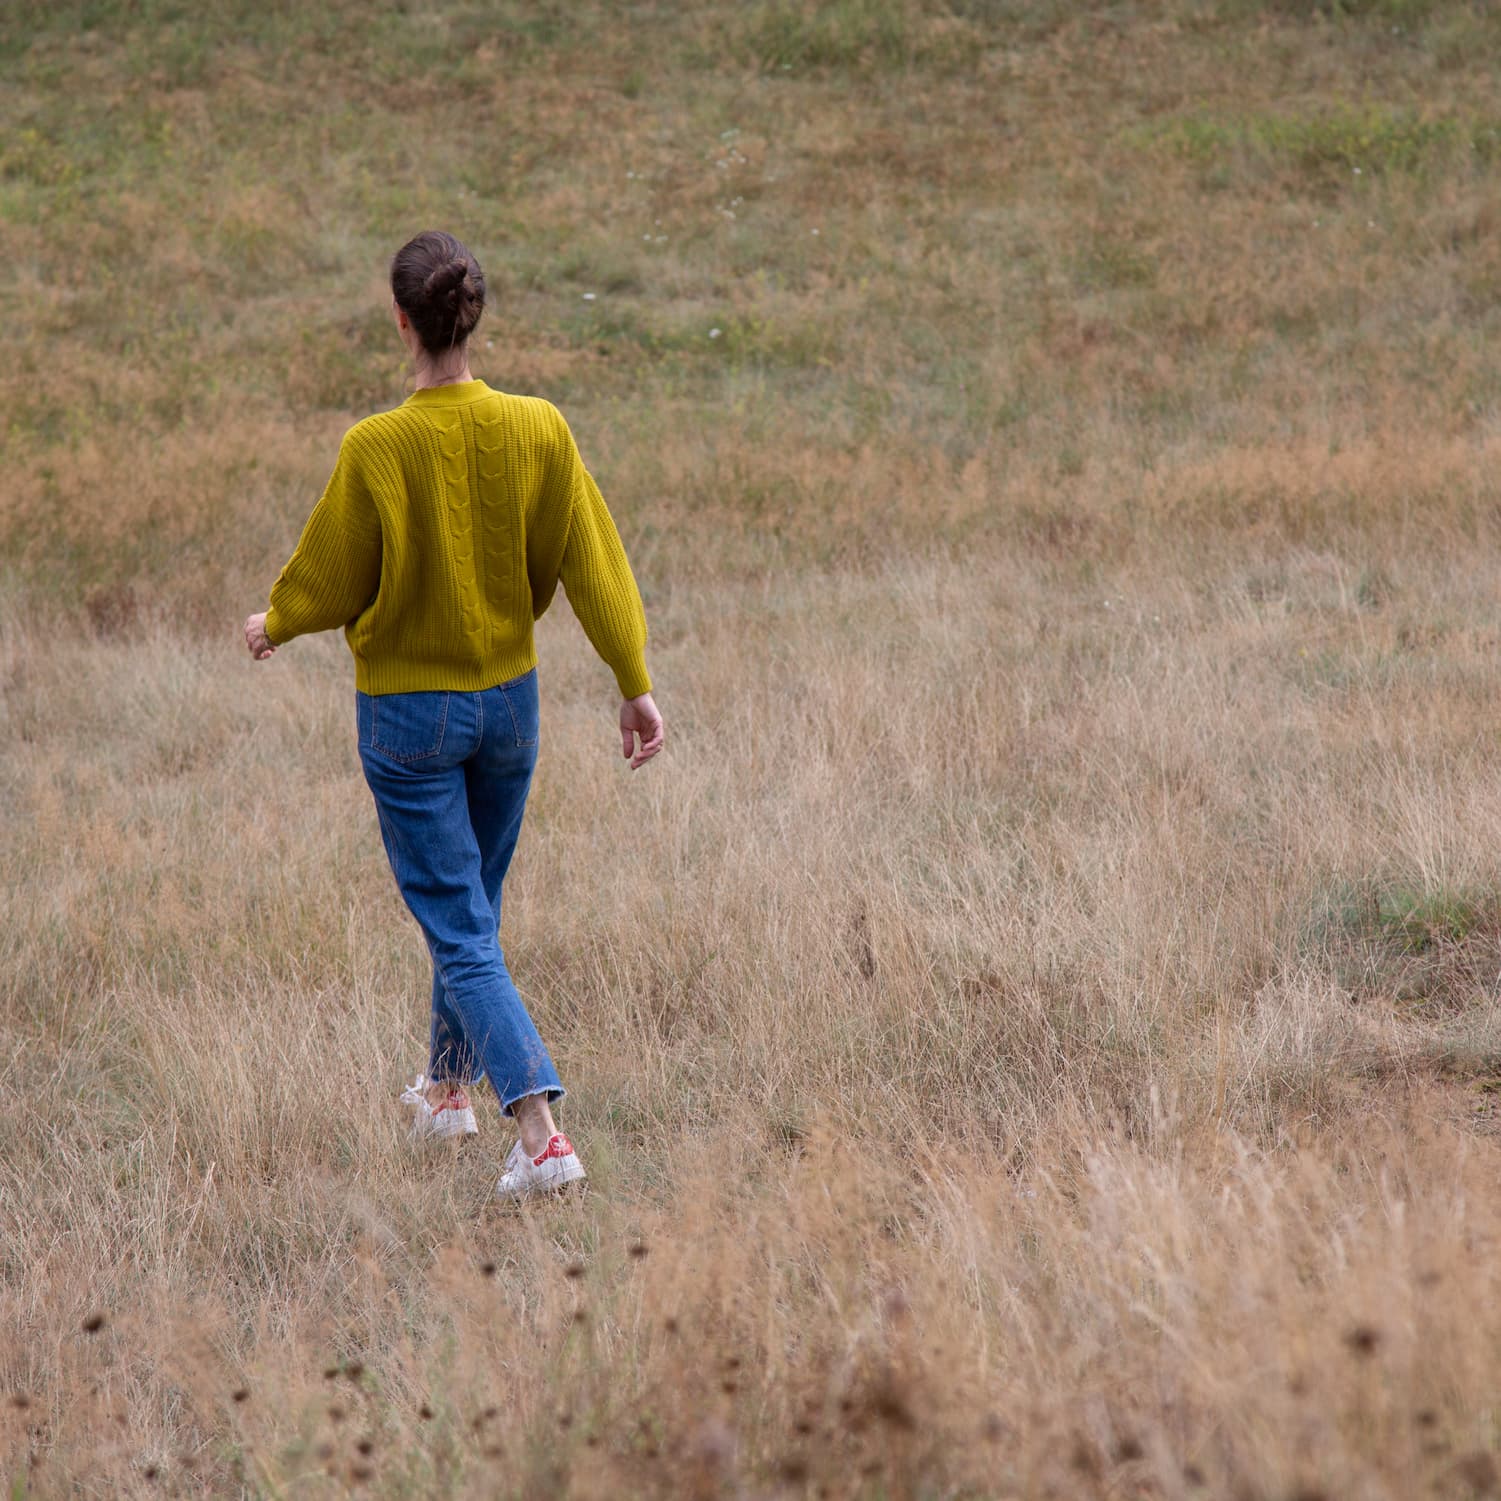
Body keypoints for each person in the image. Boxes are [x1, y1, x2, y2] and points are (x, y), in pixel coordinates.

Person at [243, 229, 663, 1201]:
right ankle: (444, 1090)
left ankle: (542, 1131)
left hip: (407, 719)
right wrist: (632, 681)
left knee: (461, 926)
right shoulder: (540, 427)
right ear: (472, 314)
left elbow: (331, 574)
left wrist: (276, 621)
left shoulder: (376, 445)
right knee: (470, 909)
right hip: (511, 710)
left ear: (402, 321)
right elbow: (593, 562)